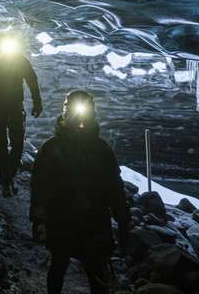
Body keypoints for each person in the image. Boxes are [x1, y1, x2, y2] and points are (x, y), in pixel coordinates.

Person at [29, 90, 130, 294]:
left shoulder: (100, 150)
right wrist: (39, 220)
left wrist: (123, 219)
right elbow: (40, 186)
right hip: (64, 219)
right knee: (60, 267)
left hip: (90, 221)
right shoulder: (54, 148)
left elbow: (114, 187)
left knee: (95, 275)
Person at [0, 35, 42, 197]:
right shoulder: (19, 61)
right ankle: (8, 179)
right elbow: (32, 81)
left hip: (2, 108)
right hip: (11, 108)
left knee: (5, 144)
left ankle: (7, 179)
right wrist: (37, 103)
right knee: (10, 144)